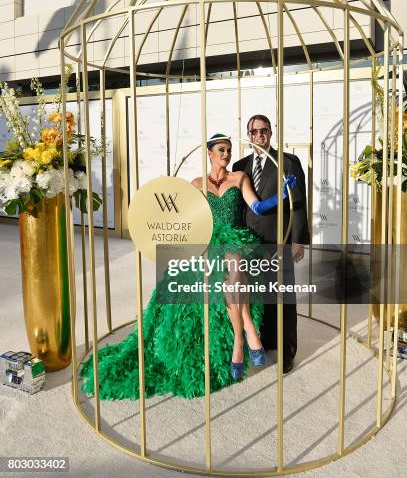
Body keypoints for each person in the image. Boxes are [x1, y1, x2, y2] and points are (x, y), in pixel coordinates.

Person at [80, 134, 295, 400]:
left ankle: (240, 340)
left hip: (235, 239)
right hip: (207, 241)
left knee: (235, 262)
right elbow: (184, 217)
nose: (226, 154)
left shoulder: (239, 178)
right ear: (210, 153)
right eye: (221, 150)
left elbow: (258, 207)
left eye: (228, 150)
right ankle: (247, 330)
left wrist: (282, 195)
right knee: (226, 266)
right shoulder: (196, 184)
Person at [233, 115, 310, 374]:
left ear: (271, 133)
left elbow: (298, 204)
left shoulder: (288, 162)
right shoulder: (240, 164)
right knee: (258, 295)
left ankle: (287, 352)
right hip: (249, 243)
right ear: (249, 134)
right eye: (254, 131)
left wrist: (298, 240)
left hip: (279, 241)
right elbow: (239, 205)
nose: (259, 135)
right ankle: (264, 342)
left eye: (264, 130)